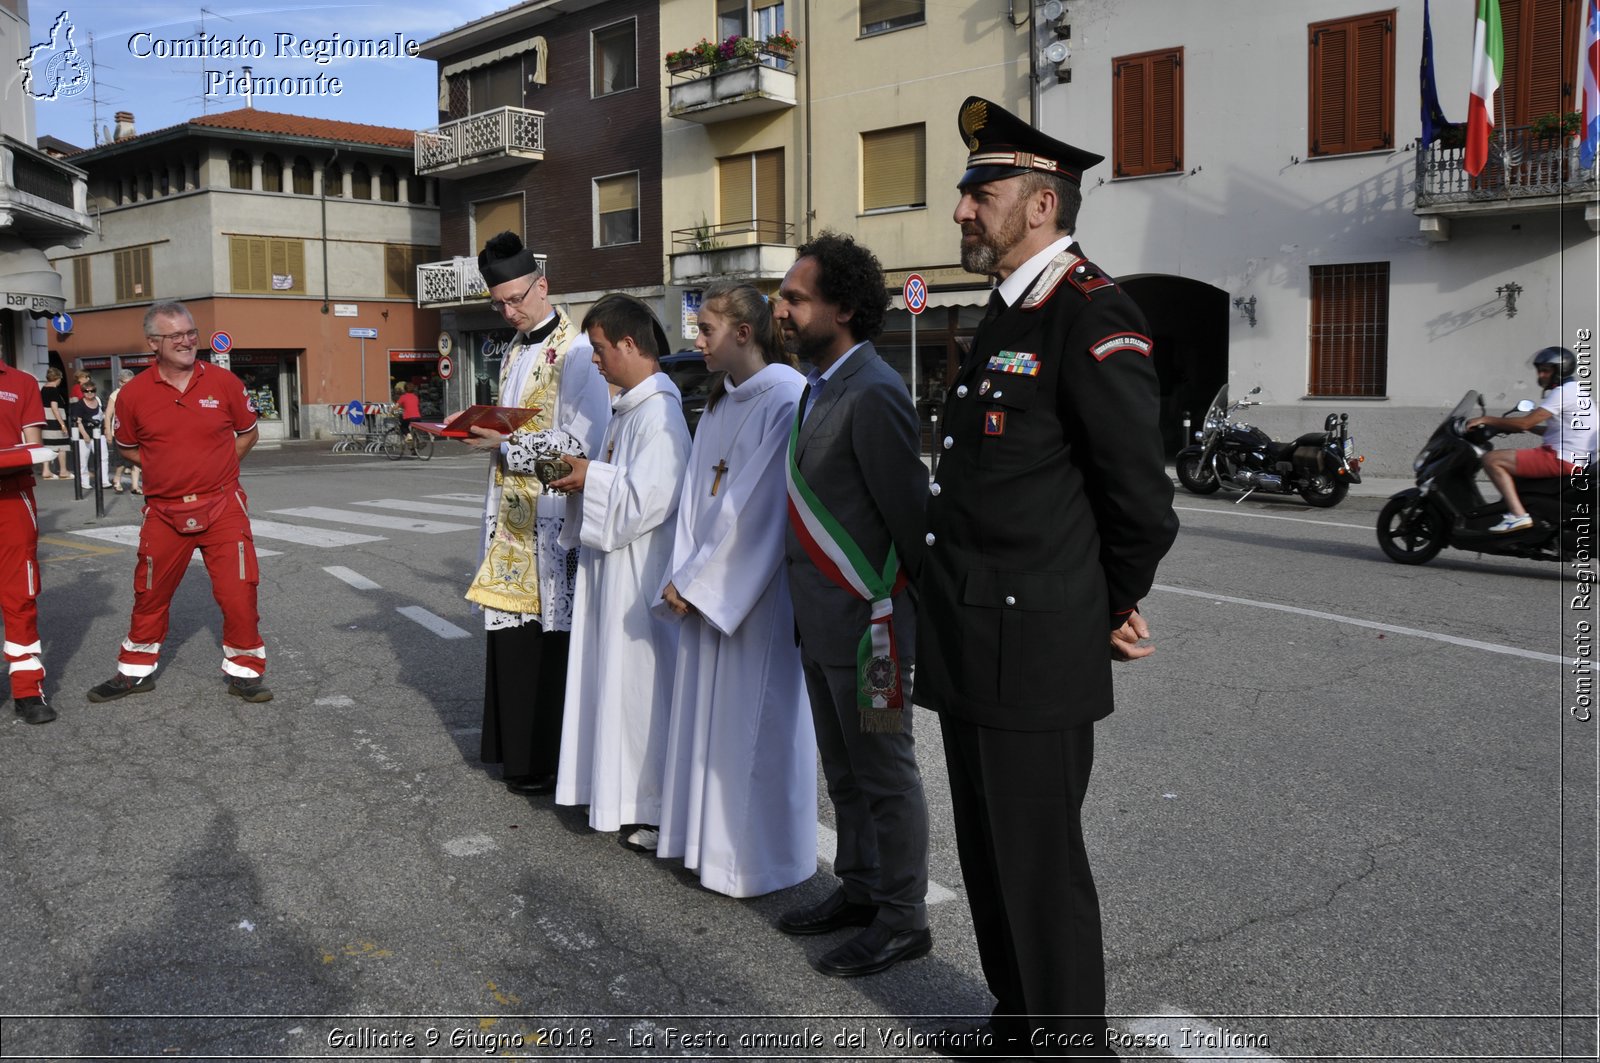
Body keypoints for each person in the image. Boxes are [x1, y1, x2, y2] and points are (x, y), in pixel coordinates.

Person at [915, 97, 1180, 1059]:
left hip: (1033, 643)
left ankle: (1072, 1043)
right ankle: (1019, 1020)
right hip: (974, 631)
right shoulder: (1005, 310)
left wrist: (1109, 601)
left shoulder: (1091, 311)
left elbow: (1139, 501)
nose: (960, 211)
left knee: (1039, 863)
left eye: (976, 192)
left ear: (1036, 203)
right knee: (988, 855)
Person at [775, 231, 932, 978]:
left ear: (840, 307)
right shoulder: (821, 383)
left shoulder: (873, 390)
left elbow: (911, 518)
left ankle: (903, 919)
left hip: (871, 634)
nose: (781, 308)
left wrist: (903, 624)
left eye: (795, 297)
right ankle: (862, 888)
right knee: (844, 772)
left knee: (885, 773)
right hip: (822, 627)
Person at [654, 280, 815, 897]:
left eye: (706, 331)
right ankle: (708, 846)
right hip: (706, 587)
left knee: (756, 722)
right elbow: (700, 497)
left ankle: (763, 860)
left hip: (756, 594)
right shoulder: (722, 399)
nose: (697, 342)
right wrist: (683, 572)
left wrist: (701, 582)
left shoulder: (784, 397)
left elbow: (759, 506)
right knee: (711, 723)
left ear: (744, 334)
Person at [461, 232, 610, 796]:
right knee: (515, 633)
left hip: (552, 518)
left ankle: (546, 758)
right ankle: (516, 754)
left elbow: (585, 442)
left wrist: (504, 448)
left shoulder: (576, 351)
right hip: (513, 513)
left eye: (516, 298)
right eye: (497, 303)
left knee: (550, 637)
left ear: (542, 285)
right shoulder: (517, 347)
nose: (508, 311)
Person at [552, 294, 692, 850]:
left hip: (640, 577)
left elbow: (650, 500)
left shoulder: (659, 415)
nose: (596, 360)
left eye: (602, 349)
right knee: (614, 682)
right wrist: (583, 476)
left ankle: (649, 800)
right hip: (614, 571)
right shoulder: (628, 408)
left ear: (630, 345)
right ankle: (614, 791)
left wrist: (592, 477)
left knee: (639, 689)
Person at [87, 301, 273, 704]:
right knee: (149, 592)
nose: (188, 341)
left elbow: (248, 434)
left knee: (239, 592)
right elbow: (129, 449)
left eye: (191, 333)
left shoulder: (224, 383)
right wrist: (169, 470)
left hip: (222, 504)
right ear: (154, 343)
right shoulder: (133, 394)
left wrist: (217, 469)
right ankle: (136, 672)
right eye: (176, 335)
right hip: (165, 510)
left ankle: (245, 672)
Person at [1466, 346, 1596, 533]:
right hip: (1578, 458)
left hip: (1562, 458)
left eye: (1546, 370)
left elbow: (1524, 423)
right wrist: (1526, 427)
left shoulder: (1561, 393)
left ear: (1560, 371)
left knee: (1491, 460)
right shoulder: (1576, 391)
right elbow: (1558, 430)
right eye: (1539, 370)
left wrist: (1487, 419)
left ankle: (1518, 516)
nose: (1541, 375)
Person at [0, 359, 56, 723]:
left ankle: (27, 689)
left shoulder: (20, 382)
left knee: (20, 592)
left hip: (11, 495)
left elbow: (32, 447)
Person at [105, 369, 142, 495]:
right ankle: (117, 480)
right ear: (120, 382)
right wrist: (108, 431)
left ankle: (135, 486)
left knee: (137, 460)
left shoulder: (136, 393)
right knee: (121, 460)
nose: (129, 385)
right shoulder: (115, 395)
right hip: (119, 431)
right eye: (126, 382)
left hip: (135, 432)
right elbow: (108, 415)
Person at [69, 379, 110, 490]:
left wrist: (106, 428)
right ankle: (84, 481)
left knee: (103, 457)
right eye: (87, 391)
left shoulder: (99, 401)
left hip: (98, 433)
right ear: (83, 392)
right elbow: (78, 421)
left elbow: (104, 414)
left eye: (92, 391)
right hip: (84, 435)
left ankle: (104, 480)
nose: (90, 393)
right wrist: (84, 434)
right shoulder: (79, 405)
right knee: (83, 459)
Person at [37, 366, 70, 480]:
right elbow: (54, 407)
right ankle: (63, 470)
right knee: (61, 446)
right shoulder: (54, 390)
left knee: (48, 445)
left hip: (46, 420)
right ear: (58, 378)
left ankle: (46, 470)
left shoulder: (44, 389)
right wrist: (62, 424)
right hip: (55, 421)